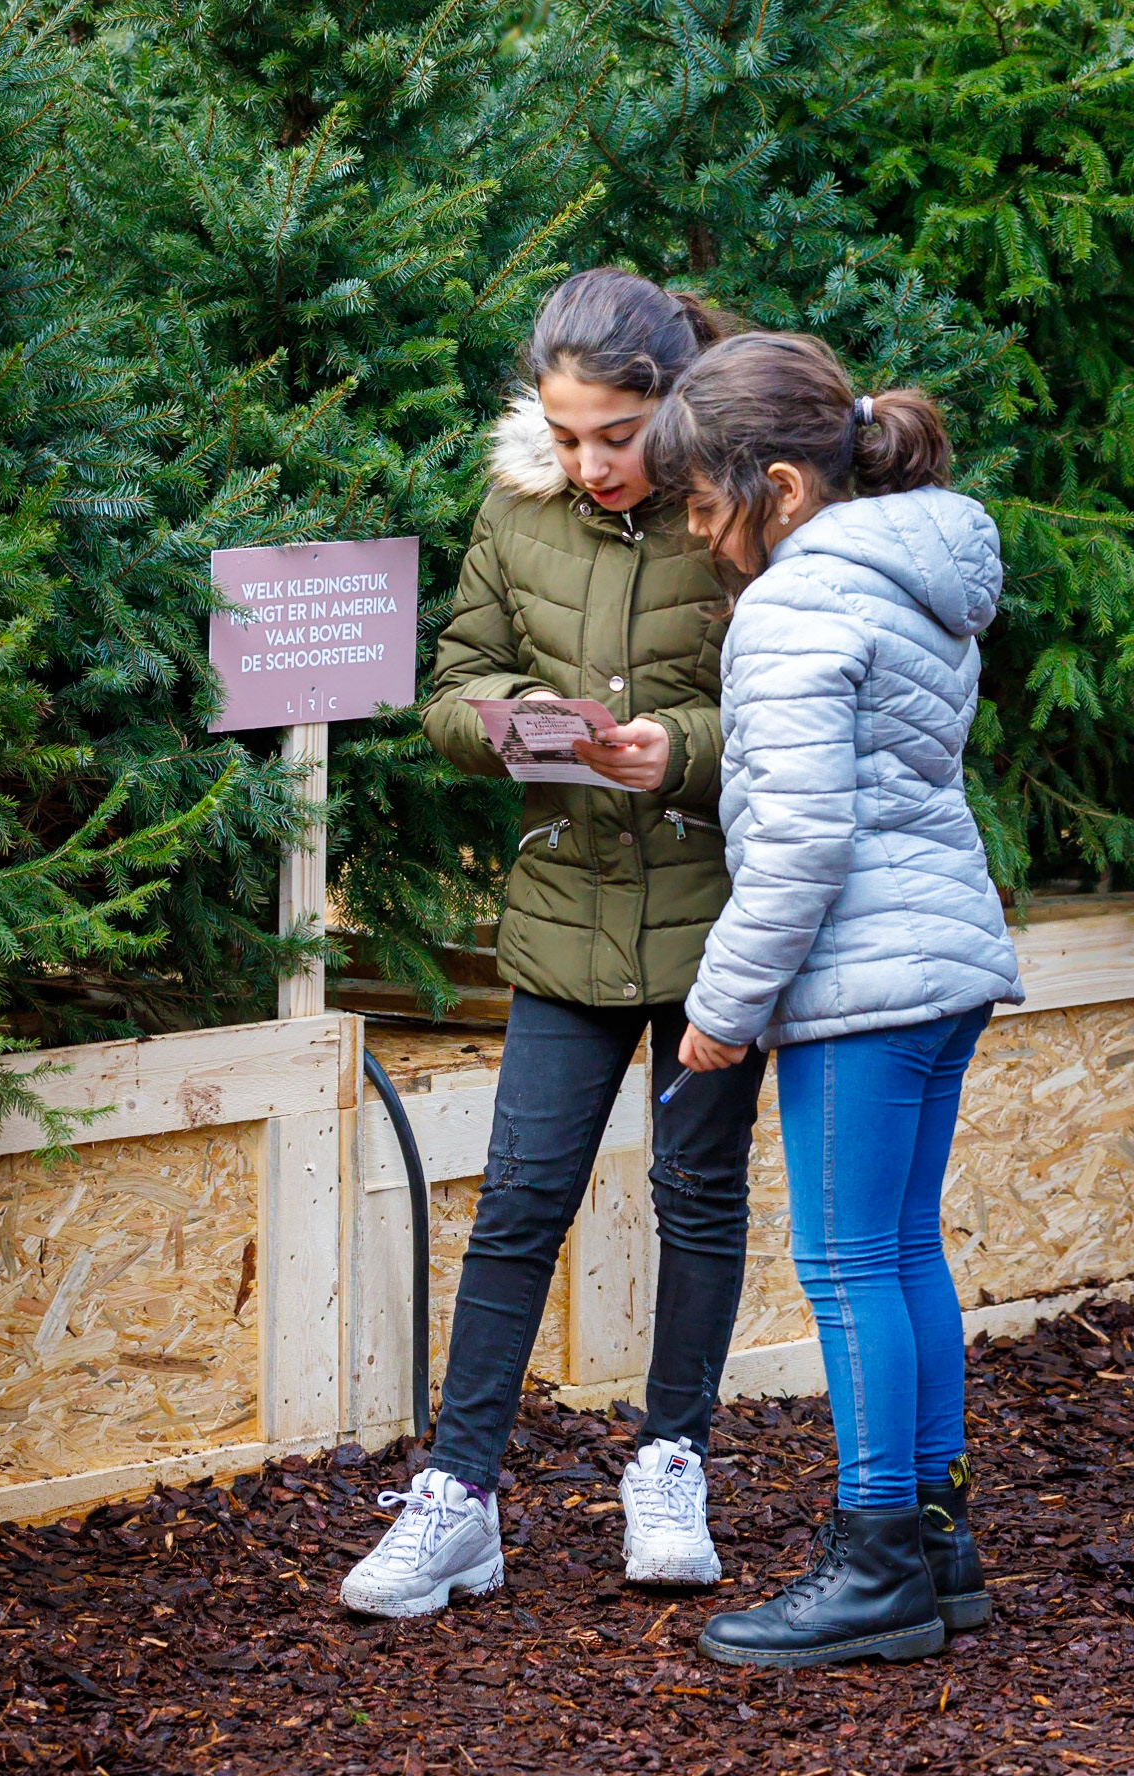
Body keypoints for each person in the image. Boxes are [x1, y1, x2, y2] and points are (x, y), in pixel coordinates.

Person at [338, 269, 766, 1619]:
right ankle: (457, 1500)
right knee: (520, 1203)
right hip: (564, 918)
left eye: (618, 438)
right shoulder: (517, 510)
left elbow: (805, 707)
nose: (591, 463)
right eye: (570, 434)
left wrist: (678, 751)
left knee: (698, 1196)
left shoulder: (741, 512)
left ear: (674, 407)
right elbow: (452, 688)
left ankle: (673, 1462)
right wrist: (520, 713)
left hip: (714, 925)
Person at [641, 332, 1024, 1669]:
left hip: (863, 978)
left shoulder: (801, 603)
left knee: (851, 1265)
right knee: (905, 1250)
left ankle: (876, 1570)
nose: (698, 534)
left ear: (782, 489)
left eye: (702, 505)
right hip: (940, 957)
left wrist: (722, 1010)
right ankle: (936, 1543)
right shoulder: (911, 575)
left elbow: (801, 843)